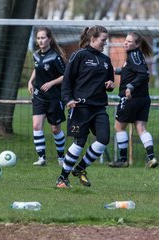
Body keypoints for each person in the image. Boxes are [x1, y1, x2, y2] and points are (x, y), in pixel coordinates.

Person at [56, 25, 115, 188]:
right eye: (103, 40)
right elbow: (67, 81)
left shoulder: (106, 60)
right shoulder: (79, 56)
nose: (105, 43)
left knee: (103, 140)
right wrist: (68, 99)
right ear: (93, 39)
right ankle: (62, 178)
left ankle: (80, 168)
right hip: (80, 108)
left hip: (99, 108)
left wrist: (110, 85)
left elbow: (109, 83)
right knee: (79, 143)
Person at [108, 32, 158, 168]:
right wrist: (113, 70)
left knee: (119, 127)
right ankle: (151, 158)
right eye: (126, 40)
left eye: (129, 42)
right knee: (141, 128)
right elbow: (131, 71)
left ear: (137, 44)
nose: (126, 43)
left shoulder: (134, 55)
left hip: (131, 98)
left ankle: (123, 160)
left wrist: (130, 87)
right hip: (143, 99)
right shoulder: (135, 56)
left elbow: (143, 74)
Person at [28, 27, 66, 166]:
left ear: (49, 39)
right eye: (38, 38)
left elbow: (65, 76)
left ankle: (61, 157)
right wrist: (30, 81)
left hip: (54, 97)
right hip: (39, 96)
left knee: (55, 129)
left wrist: (51, 83)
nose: (40, 40)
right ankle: (41, 158)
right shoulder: (36, 55)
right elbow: (37, 68)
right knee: (37, 126)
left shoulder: (56, 57)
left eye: (43, 38)